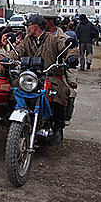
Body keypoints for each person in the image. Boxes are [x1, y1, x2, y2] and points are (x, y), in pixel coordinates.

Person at [10, 14, 78, 143]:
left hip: (50, 75)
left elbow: (67, 48)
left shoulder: (53, 39)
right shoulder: (26, 40)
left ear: (35, 27)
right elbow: (17, 51)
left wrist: (71, 57)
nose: (26, 29)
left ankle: (58, 127)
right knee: (13, 87)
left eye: (28, 26)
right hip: (30, 76)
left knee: (61, 92)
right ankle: (13, 120)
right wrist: (8, 58)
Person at [43, 10, 78, 125]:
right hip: (41, 73)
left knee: (68, 92)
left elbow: (70, 51)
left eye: (44, 21)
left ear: (51, 21)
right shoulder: (39, 37)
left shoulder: (64, 38)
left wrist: (71, 58)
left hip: (59, 73)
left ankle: (60, 123)